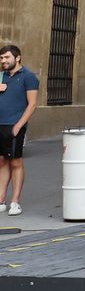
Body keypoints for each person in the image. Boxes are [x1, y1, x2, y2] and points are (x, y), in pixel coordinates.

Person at [0, 45, 39, 216]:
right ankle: (1, 200)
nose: (3, 61)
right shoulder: (1, 77)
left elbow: (32, 104)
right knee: (1, 161)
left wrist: (18, 126)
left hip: (14, 125)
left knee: (16, 162)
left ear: (18, 58)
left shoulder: (28, 77)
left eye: (7, 57)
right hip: (0, 125)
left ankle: (15, 201)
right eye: (1, 58)